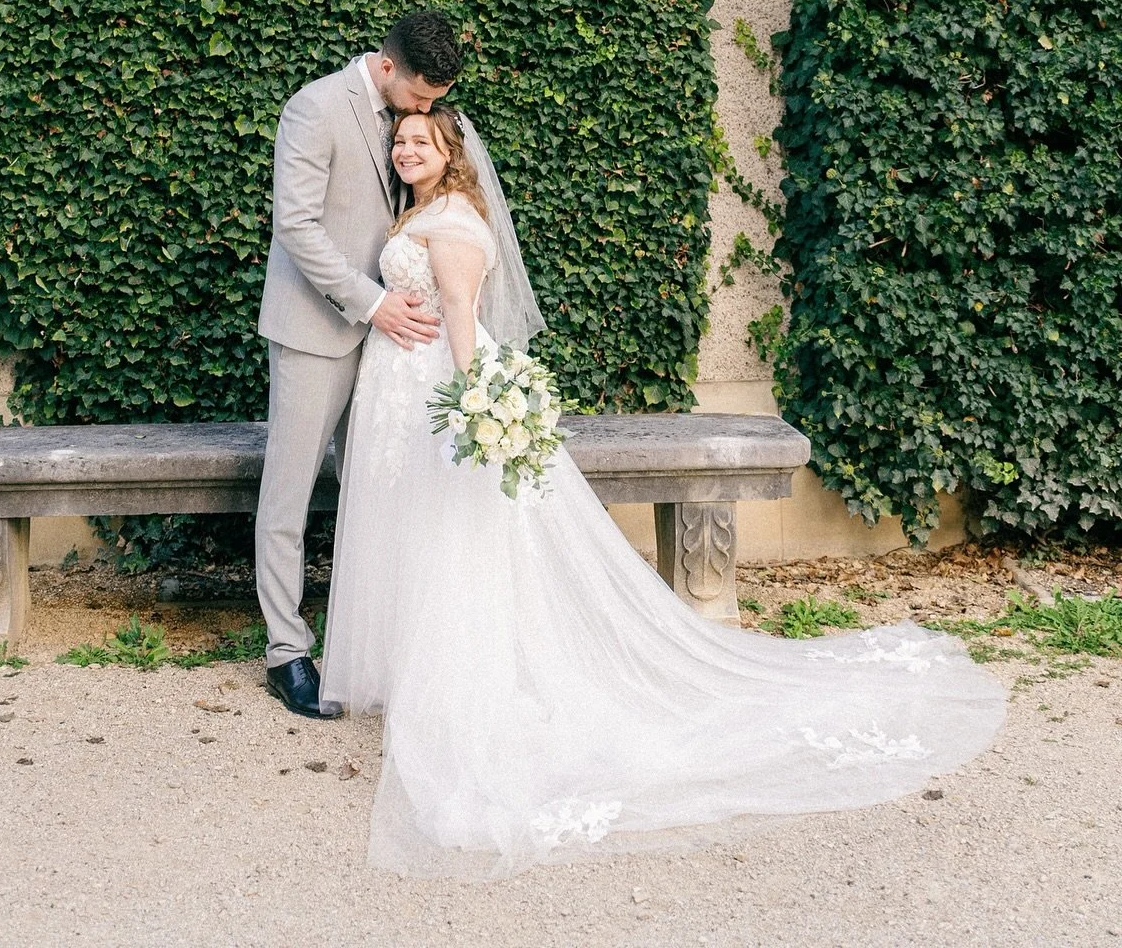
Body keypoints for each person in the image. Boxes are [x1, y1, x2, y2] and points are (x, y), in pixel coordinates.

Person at [320, 105, 1008, 879]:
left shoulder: (448, 223)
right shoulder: (422, 210)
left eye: (423, 142)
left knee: (451, 536)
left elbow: (458, 313)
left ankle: (454, 685)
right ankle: (407, 671)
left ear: (452, 155)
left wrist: (477, 404)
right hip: (402, 394)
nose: (407, 150)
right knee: (418, 528)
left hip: (438, 394)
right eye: (402, 141)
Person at [254, 10, 465, 719]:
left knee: (374, 493)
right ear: (386, 67)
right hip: (317, 328)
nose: (427, 112)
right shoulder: (314, 107)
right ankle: (287, 652)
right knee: (288, 495)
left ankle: (363, 643)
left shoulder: (411, 114)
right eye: (420, 97)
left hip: (389, 349)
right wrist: (372, 303)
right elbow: (297, 226)